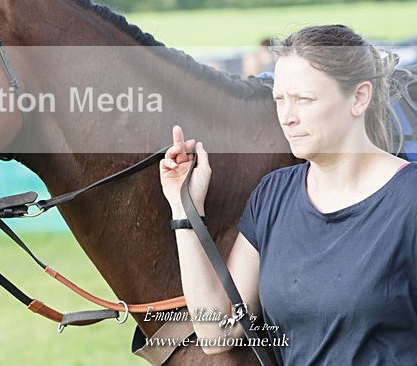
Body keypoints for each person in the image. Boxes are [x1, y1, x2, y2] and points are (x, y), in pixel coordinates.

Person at [159, 24, 416, 364]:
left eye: (304, 99)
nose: (288, 117)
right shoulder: (273, 196)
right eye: (279, 100)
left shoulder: (409, 200)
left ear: (359, 98)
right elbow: (218, 332)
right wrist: (184, 208)